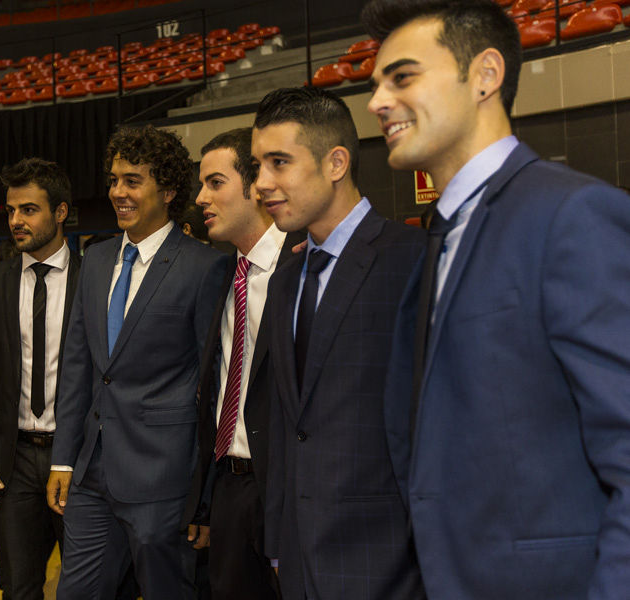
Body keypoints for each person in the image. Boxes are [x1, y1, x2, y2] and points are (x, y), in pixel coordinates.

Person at [361, 1, 630, 597]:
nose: (377, 102)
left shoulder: (572, 216)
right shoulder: (441, 235)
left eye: (401, 77)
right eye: (375, 83)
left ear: (485, 75)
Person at [251, 87, 425, 599]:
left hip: (393, 562)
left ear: (336, 163)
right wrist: (281, 546)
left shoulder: (415, 261)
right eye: (258, 165)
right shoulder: (286, 279)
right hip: (302, 563)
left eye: (279, 162)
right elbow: (289, 424)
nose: (262, 183)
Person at [47, 125, 228, 600]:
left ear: (168, 191)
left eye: (132, 180)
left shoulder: (203, 266)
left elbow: (213, 387)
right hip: (90, 471)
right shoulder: (97, 258)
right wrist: (64, 460)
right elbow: (79, 368)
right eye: (113, 180)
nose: (117, 193)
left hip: (163, 477)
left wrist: (202, 497)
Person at [183, 127, 301, 599]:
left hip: (287, 488)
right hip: (230, 488)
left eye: (214, 183)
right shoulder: (220, 276)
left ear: (255, 188)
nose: (200, 198)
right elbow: (213, 391)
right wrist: (205, 501)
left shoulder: (302, 264)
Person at [0, 158, 80, 600]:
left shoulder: (97, 275)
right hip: (13, 462)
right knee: (17, 586)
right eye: (11, 211)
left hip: (80, 458)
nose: (16, 221)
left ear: (61, 212)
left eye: (28, 210)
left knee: (91, 585)